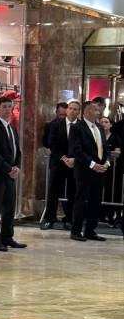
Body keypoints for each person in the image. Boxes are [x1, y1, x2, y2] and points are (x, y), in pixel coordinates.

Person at [0, 97, 26, 252]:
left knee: (9, 207)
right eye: (4, 106)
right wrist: (8, 168)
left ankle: (7, 237)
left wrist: (16, 167)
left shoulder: (12, 128)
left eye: (10, 107)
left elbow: (17, 151)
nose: (7, 110)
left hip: (11, 174)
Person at [69, 101, 109, 241]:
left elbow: (105, 147)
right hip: (85, 170)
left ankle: (90, 230)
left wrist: (107, 162)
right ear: (85, 112)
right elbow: (76, 150)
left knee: (95, 201)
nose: (98, 112)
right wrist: (92, 164)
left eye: (98, 110)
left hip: (99, 171)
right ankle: (76, 231)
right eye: (94, 109)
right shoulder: (77, 128)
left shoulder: (98, 126)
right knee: (81, 200)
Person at [42, 99, 80, 230]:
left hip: (75, 165)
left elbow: (84, 146)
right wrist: (64, 158)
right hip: (58, 163)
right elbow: (52, 144)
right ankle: (49, 219)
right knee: (53, 191)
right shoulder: (56, 125)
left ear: (78, 112)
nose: (72, 111)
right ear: (67, 109)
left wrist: (74, 159)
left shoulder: (81, 126)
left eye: (75, 109)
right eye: (70, 108)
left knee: (72, 192)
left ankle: (69, 219)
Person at [98, 116, 122, 225]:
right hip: (98, 168)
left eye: (106, 122)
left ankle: (111, 215)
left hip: (113, 169)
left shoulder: (115, 137)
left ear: (111, 125)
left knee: (112, 191)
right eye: (101, 122)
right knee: (99, 190)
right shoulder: (97, 136)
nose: (103, 124)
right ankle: (100, 215)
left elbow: (117, 153)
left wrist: (104, 154)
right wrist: (108, 153)